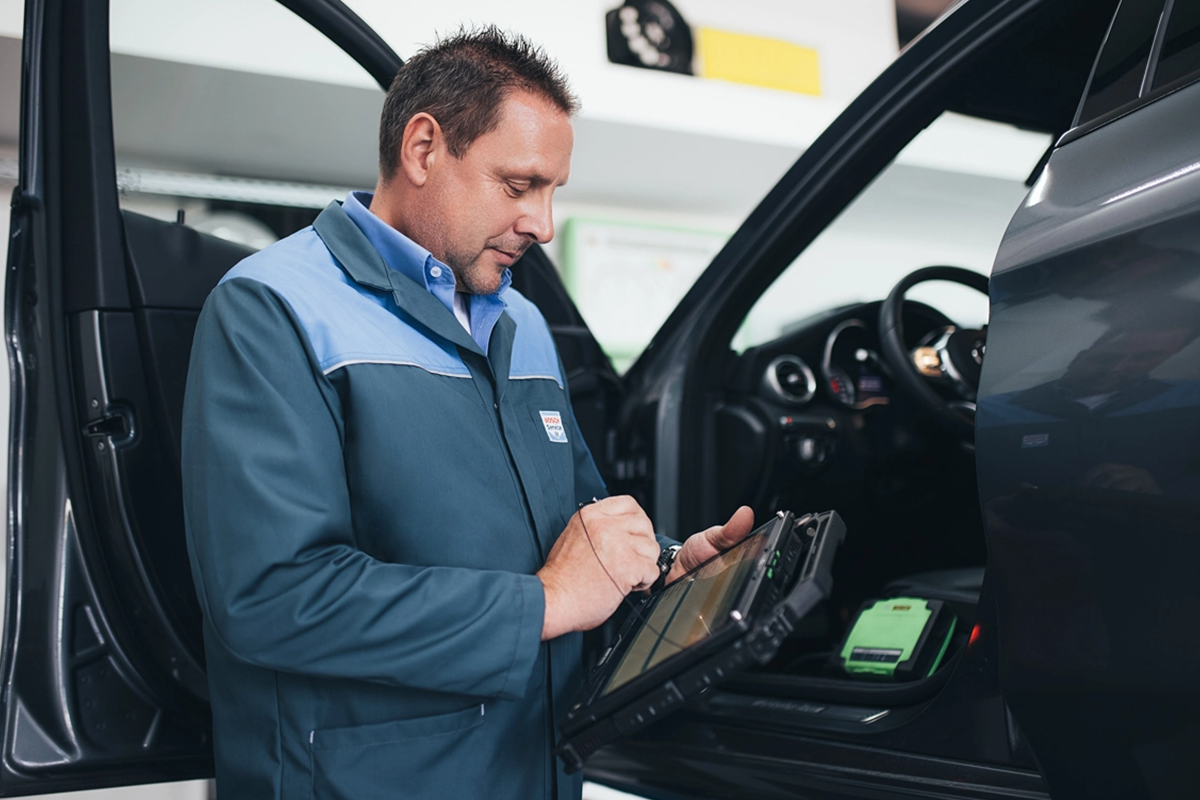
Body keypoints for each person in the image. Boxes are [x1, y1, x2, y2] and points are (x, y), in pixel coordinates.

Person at [181, 26, 754, 800]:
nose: (543, 225)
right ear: (423, 149)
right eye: (519, 186)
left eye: (553, 192)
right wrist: (544, 604)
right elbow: (275, 598)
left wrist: (659, 572)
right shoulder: (273, 308)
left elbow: (575, 530)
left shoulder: (518, 327)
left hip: (535, 771)